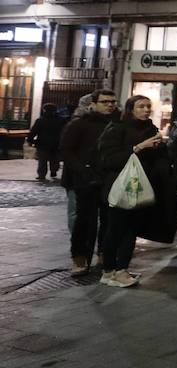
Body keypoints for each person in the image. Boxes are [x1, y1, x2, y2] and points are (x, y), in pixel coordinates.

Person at [96, 95, 169, 288]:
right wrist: (139, 147)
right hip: (119, 187)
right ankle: (109, 270)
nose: (146, 110)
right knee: (115, 229)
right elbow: (109, 160)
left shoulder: (151, 129)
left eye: (148, 106)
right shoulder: (116, 128)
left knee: (131, 230)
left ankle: (122, 268)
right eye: (141, 107)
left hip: (142, 187)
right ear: (131, 109)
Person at [59, 90, 117, 274]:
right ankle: (80, 258)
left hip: (109, 178)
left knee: (109, 220)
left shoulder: (116, 124)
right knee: (85, 220)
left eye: (112, 102)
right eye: (105, 102)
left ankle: (104, 254)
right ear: (93, 104)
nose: (109, 105)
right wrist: (83, 171)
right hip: (85, 180)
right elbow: (67, 150)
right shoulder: (79, 124)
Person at [27, 103, 65, 182]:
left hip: (42, 143)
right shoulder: (61, 120)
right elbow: (64, 132)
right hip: (56, 143)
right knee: (54, 159)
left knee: (42, 160)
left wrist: (30, 140)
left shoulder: (40, 120)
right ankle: (53, 171)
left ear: (44, 110)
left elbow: (34, 131)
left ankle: (41, 175)